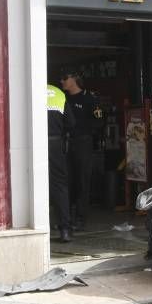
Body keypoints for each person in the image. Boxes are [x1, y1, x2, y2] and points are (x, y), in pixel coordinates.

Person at [60, 71, 103, 230]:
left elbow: (99, 122)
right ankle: (66, 218)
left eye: (65, 77)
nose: (62, 81)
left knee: (82, 181)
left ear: (74, 79)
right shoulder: (62, 98)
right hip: (65, 143)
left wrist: (80, 129)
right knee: (66, 181)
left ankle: (80, 218)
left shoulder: (89, 98)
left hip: (83, 143)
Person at [47, 85, 75, 243]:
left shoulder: (28, 88)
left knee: (33, 187)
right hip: (55, 144)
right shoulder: (58, 93)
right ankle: (65, 230)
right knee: (59, 186)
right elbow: (71, 122)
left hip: (31, 146)